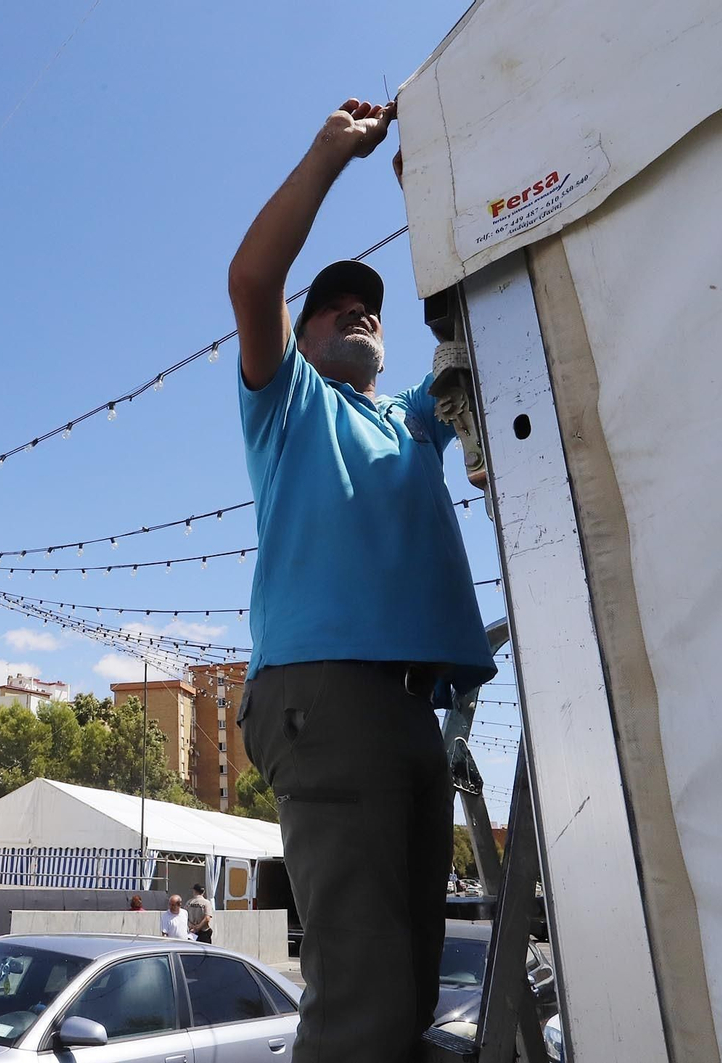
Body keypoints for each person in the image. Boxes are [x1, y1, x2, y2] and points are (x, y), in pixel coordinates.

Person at [227, 97, 496, 1062]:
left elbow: (473, 342)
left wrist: (452, 172)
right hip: (324, 692)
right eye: (335, 304)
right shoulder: (288, 407)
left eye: (369, 304)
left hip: (409, 707)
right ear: (299, 342)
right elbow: (254, 279)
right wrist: (332, 153)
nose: (359, 309)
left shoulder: (413, 421)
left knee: (410, 992)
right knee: (360, 1001)